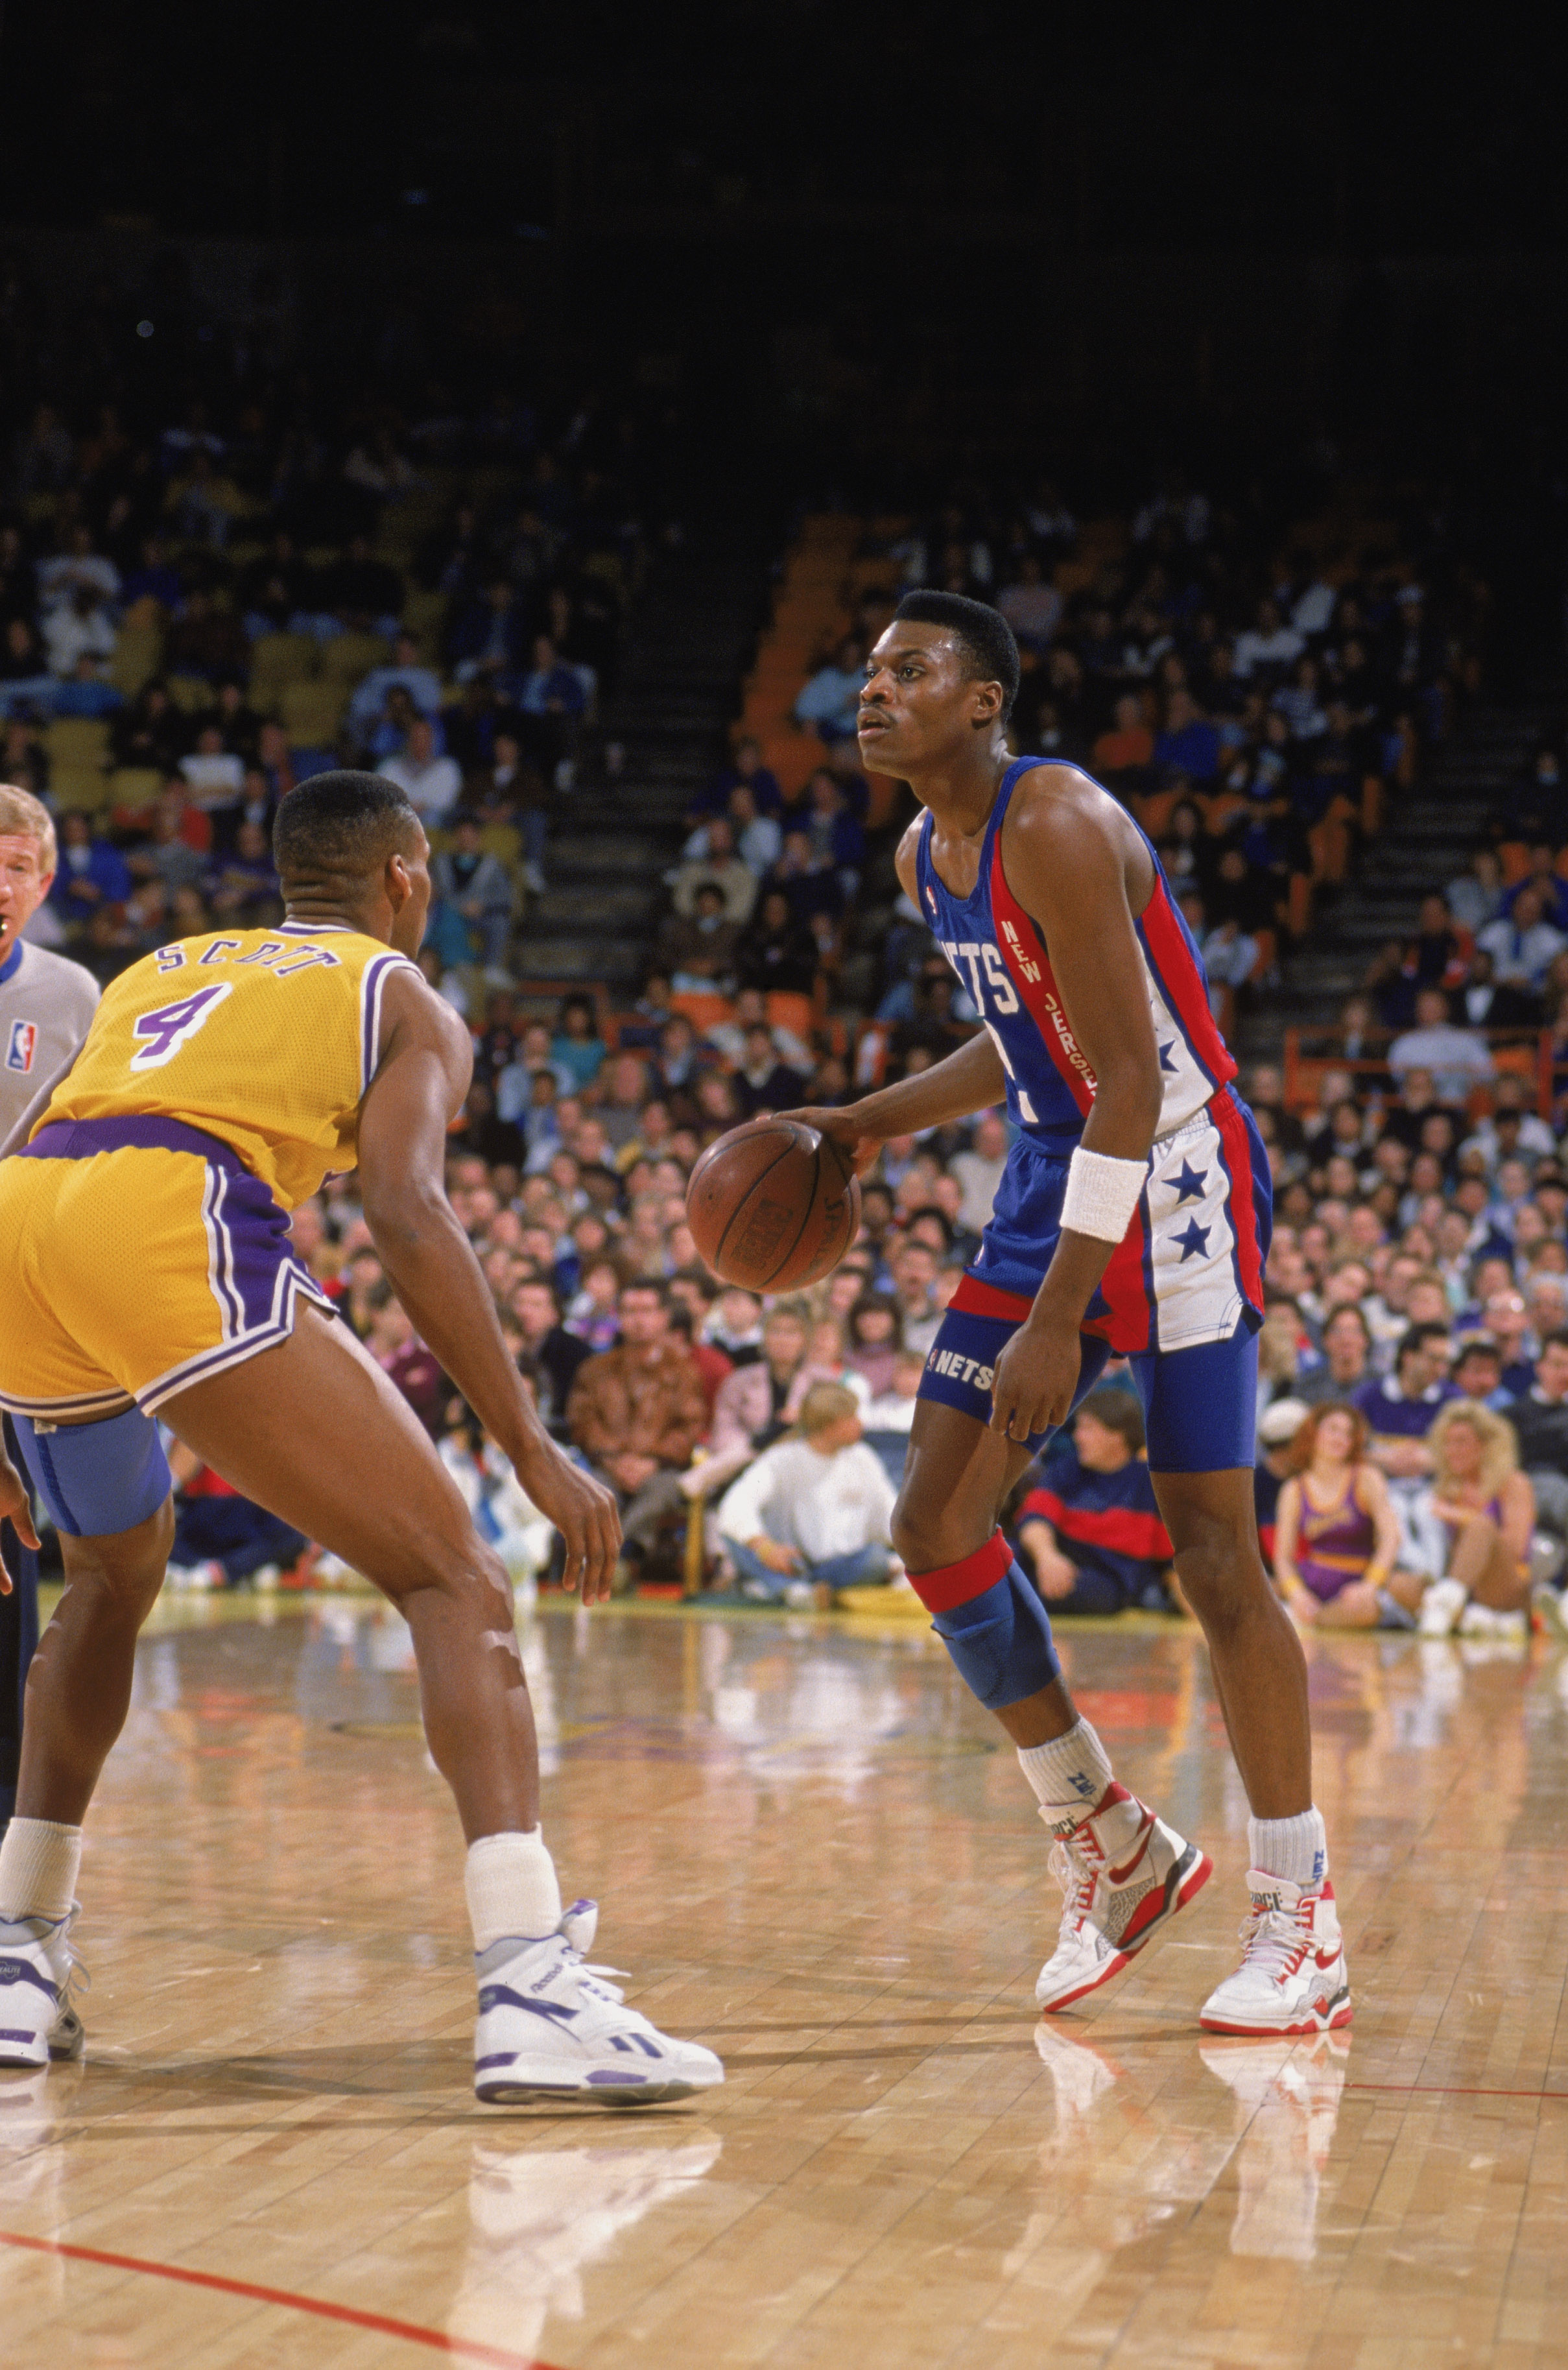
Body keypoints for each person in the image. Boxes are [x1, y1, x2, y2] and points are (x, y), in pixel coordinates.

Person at [0, 770, 720, 2103]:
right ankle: (529, 1988)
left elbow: (40, 1140)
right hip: (172, 1220)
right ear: (404, 875)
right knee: (456, 1578)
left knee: (109, 1574)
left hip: (23, 1232)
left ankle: (16, 1961)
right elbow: (404, 1206)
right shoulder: (401, 994)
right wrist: (527, 1444)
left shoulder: (161, 965)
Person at [787, 589, 1346, 2039]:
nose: (873, 690)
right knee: (935, 1525)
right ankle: (1114, 1843)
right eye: (866, 671)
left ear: (985, 702)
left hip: (1173, 1176)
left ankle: (1303, 1914)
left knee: (1215, 1553)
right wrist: (873, 1119)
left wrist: (1057, 1322)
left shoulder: (1055, 820)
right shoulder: (930, 850)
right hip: (1063, 1170)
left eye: (909, 669)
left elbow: (1135, 1079)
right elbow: (1027, 1042)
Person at [0, 785, 102, 1839]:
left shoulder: (76, 995)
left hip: (17, 1307)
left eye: (18, 863)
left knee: (6, 1564)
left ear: (44, 880)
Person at [565, 1282, 709, 1581]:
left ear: (664, 1317)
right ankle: (619, 1561)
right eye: (630, 1311)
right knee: (595, 1487)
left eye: (647, 1311)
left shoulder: (684, 1371)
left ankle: (613, 1557)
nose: (638, 1320)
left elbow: (689, 1426)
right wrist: (615, 1460)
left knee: (664, 1489)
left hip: (660, 1468)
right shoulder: (595, 1369)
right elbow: (583, 1422)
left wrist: (650, 1461)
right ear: (618, 1317)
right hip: (605, 1464)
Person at [715, 1383, 897, 1603]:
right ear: (829, 1425)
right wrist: (765, 1547)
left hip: (841, 1567)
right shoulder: (781, 1459)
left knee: (876, 1560)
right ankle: (795, 1592)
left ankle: (790, 1593)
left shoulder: (863, 1458)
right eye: (852, 1417)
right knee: (734, 1534)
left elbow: (891, 1515)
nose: (860, 1424)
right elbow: (734, 1505)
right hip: (791, 1564)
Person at [1014, 1391, 1178, 1616]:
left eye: (1088, 1428)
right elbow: (1035, 1519)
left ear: (1118, 1435)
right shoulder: (1067, 1470)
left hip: (1108, 1579)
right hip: (1051, 1559)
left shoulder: (1149, 1486)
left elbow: (1171, 1561)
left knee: (1084, 1594)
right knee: (997, 1559)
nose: (1077, 1437)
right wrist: (1047, 1557)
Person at [1269, 1406, 1423, 1630]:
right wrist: (1296, 1594)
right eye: (1333, 1429)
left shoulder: (1367, 1478)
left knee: (1382, 1601)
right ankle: (1303, 1615)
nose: (1341, 1438)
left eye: (1348, 1433)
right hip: (1311, 1583)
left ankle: (1313, 1621)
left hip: (1358, 1584)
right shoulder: (1294, 1489)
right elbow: (1282, 1556)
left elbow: (1391, 1539)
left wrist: (1369, 1586)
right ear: (1312, 1433)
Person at [1412, 1400, 1536, 1640]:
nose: (1452, 1451)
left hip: (1505, 1585)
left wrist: (1462, 1517)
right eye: (1447, 1443)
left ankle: (1448, 1606)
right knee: (1402, 1584)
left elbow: (1517, 1549)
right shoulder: (1444, 1489)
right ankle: (1476, 1621)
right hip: (1465, 1588)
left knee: (1482, 1525)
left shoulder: (1512, 1483)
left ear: (1486, 1444)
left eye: (1461, 1442)